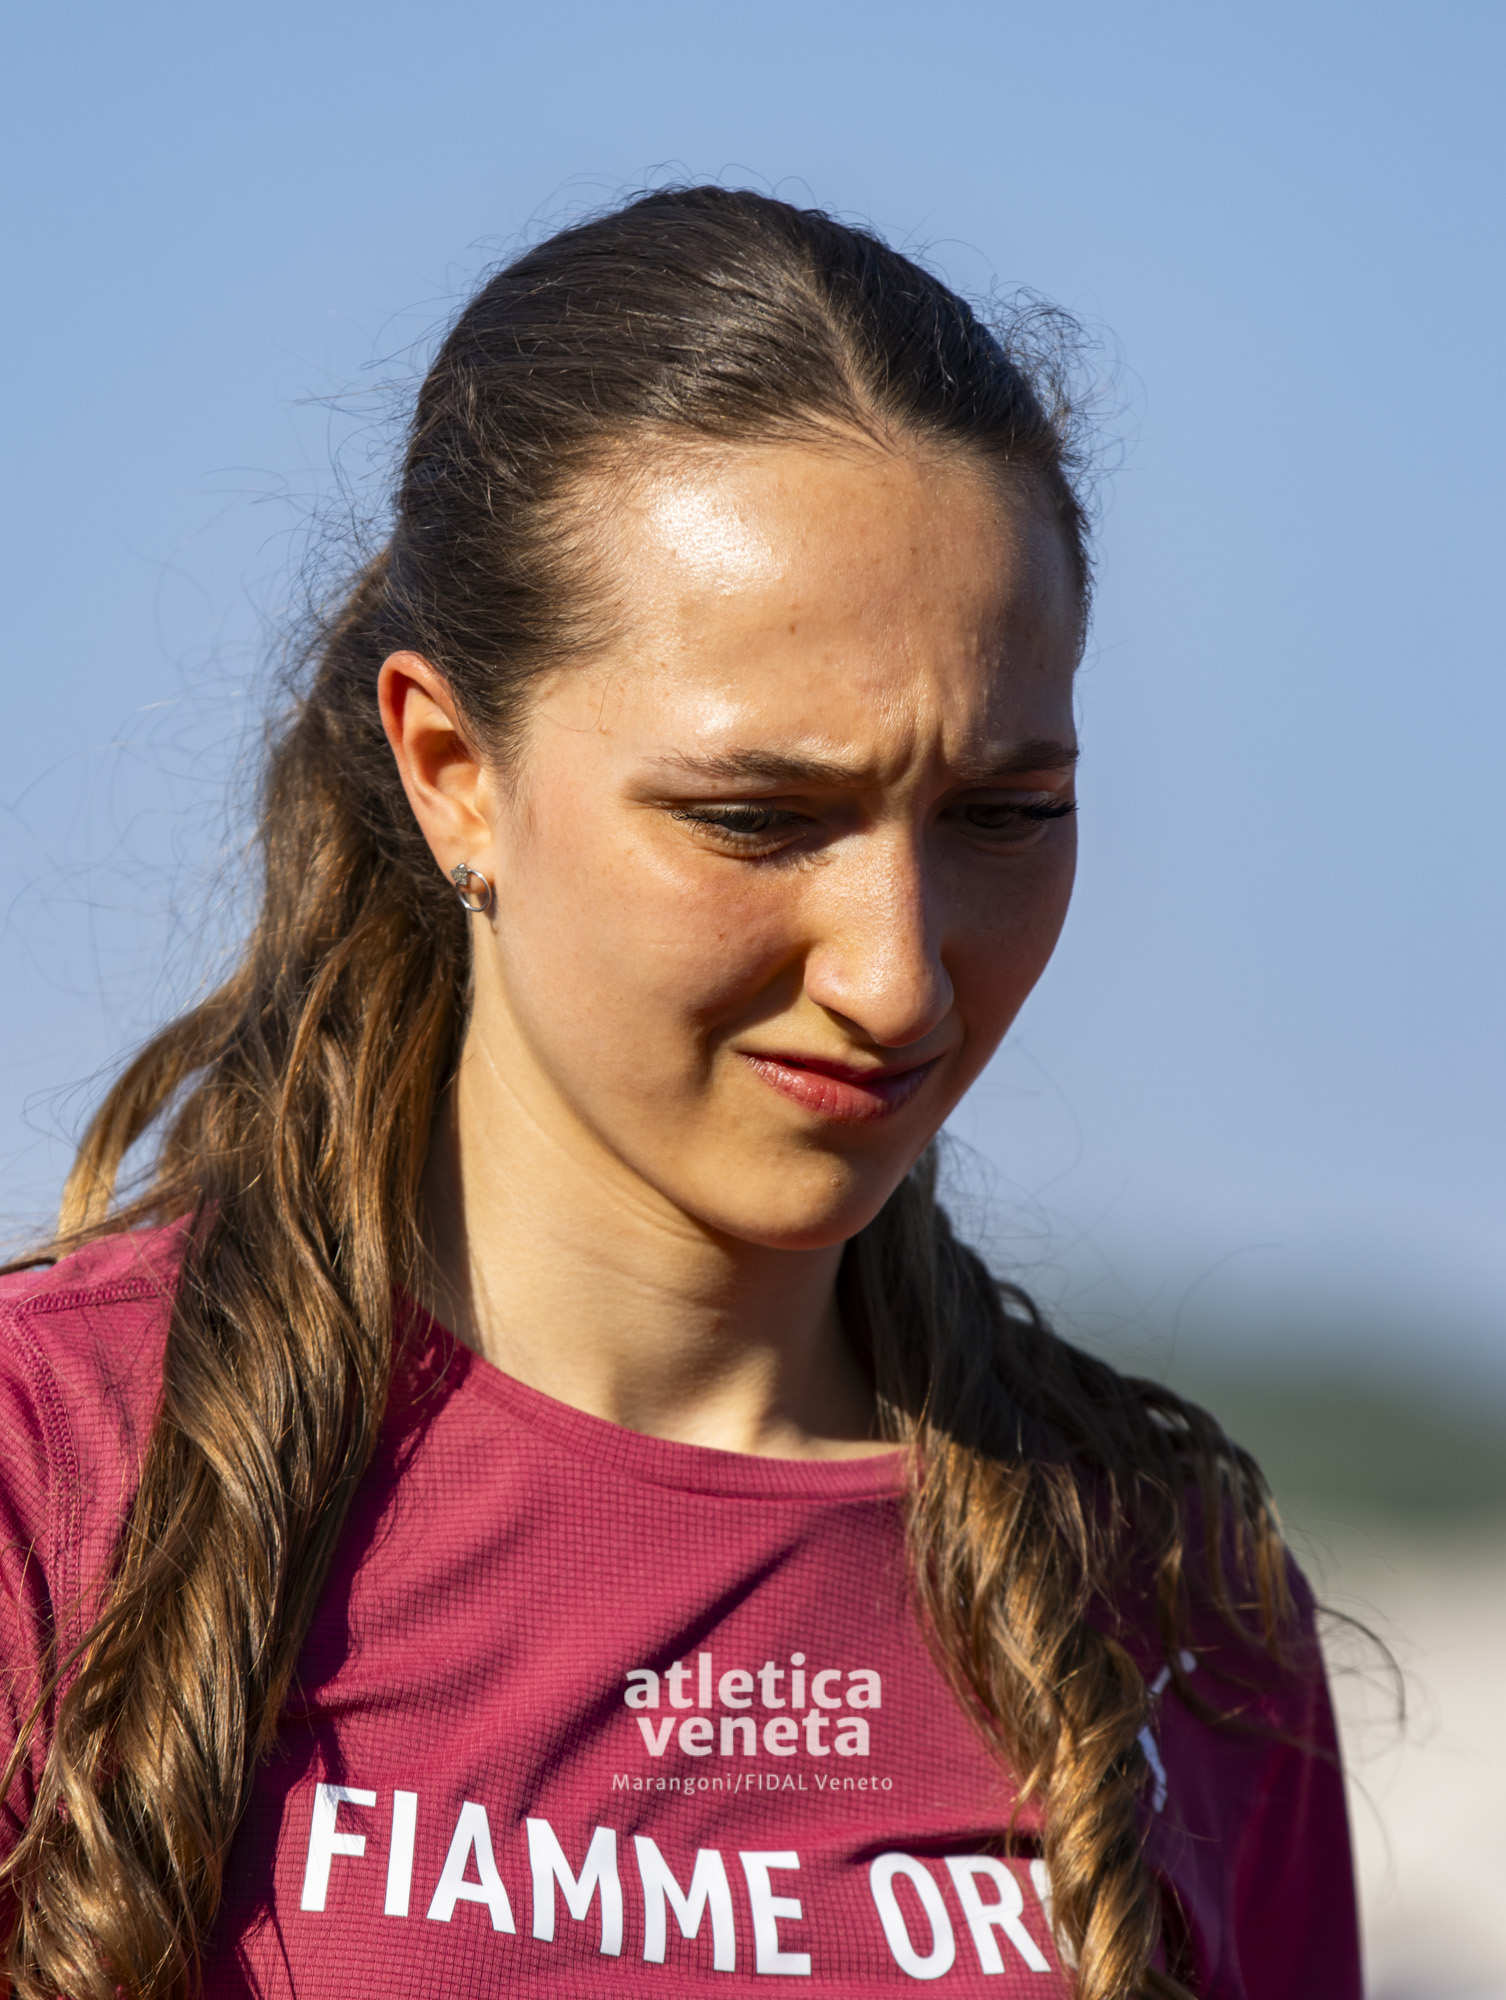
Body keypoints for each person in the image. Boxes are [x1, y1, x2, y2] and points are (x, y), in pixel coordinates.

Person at [0, 187, 1359, 2000]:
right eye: (755, 819)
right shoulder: (52, 1480)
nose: (896, 974)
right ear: (451, 771)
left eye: (1003, 815)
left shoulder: (1174, 1599)